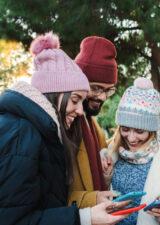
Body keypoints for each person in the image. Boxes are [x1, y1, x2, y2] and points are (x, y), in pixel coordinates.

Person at [0, 32, 130, 225]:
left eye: (108, 90)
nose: (80, 111)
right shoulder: (22, 135)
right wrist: (85, 217)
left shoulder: (43, 131)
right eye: (76, 99)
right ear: (54, 93)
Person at [101, 77, 160, 225]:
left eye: (139, 131)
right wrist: (106, 176)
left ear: (152, 130)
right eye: (125, 129)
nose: (131, 138)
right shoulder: (110, 152)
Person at [68, 36, 119, 208]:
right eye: (96, 88)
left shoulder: (93, 125)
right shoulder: (64, 123)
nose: (102, 97)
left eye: (108, 90)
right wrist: (92, 199)